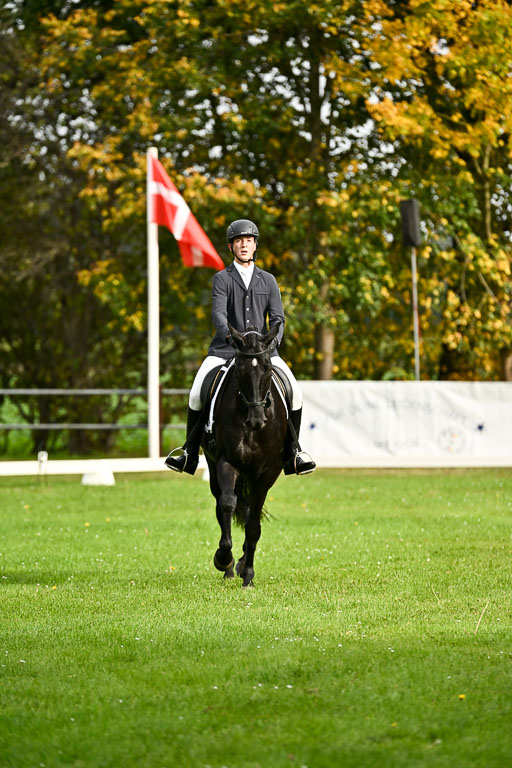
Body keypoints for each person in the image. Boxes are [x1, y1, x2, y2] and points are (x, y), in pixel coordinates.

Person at [165, 218, 316, 476]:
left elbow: (278, 318)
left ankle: (294, 454)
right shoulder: (222, 279)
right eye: (239, 241)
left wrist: (272, 343)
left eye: (248, 240)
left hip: (263, 352)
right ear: (231, 247)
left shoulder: (268, 280)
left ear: (255, 245)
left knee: (296, 392)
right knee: (195, 393)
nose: (244, 245)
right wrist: (230, 337)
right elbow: (219, 315)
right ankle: (189, 454)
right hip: (225, 350)